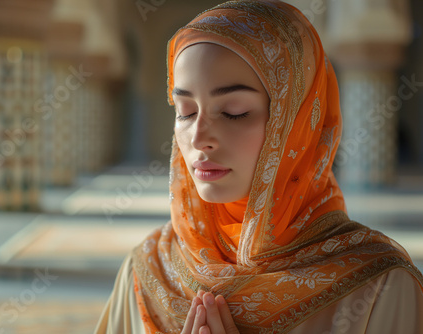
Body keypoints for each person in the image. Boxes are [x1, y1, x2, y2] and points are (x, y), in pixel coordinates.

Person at [94, 1, 423, 333]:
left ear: (297, 123)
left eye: (234, 111)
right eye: (186, 111)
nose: (199, 138)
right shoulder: (149, 271)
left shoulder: (378, 285)